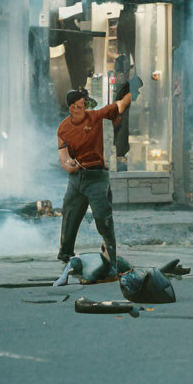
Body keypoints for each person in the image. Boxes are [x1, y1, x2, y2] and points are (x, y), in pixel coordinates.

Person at [56, 85, 133, 276]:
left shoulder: (96, 117)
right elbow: (63, 154)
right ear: (72, 107)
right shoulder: (63, 128)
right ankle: (66, 256)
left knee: (102, 217)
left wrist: (133, 92)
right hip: (76, 179)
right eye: (79, 105)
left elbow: (119, 106)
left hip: (97, 177)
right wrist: (68, 164)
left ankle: (111, 256)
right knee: (70, 215)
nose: (83, 109)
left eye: (85, 105)